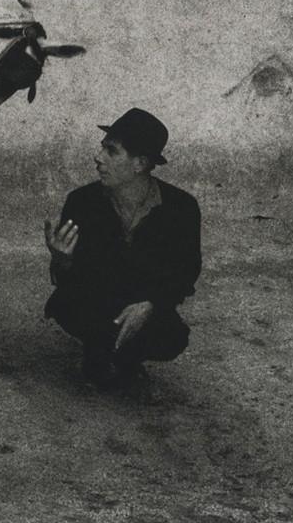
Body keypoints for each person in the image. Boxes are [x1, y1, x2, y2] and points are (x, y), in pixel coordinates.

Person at [43, 108, 201, 389]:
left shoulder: (181, 208)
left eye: (111, 152)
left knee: (171, 336)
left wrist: (151, 305)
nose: (98, 158)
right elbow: (74, 282)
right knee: (69, 306)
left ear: (140, 163)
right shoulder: (82, 202)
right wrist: (62, 260)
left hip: (143, 300)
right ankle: (98, 351)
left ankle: (128, 358)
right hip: (98, 298)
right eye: (102, 148)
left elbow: (185, 272)